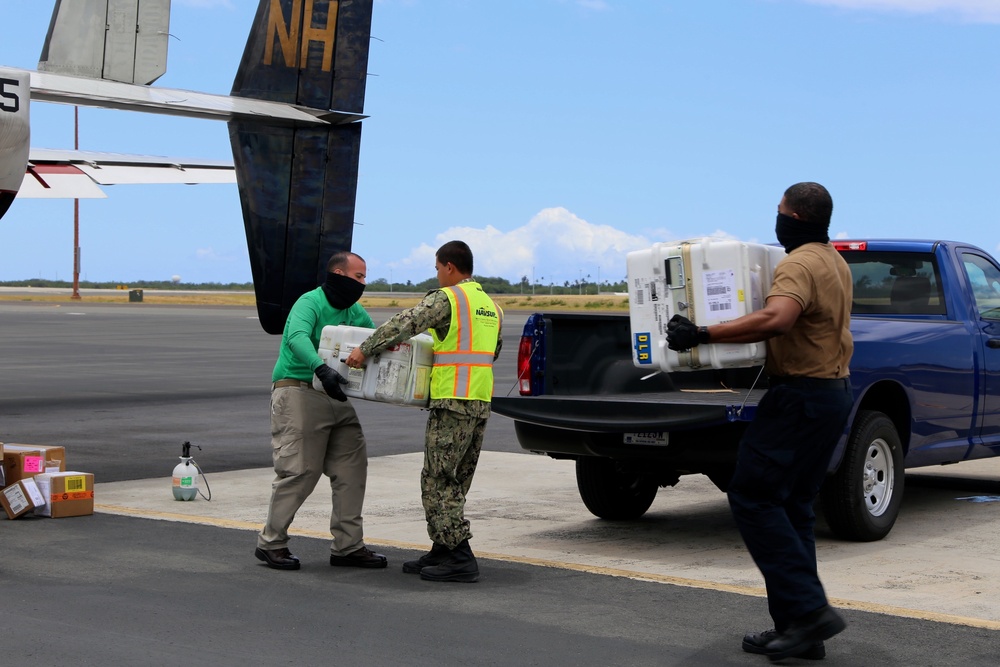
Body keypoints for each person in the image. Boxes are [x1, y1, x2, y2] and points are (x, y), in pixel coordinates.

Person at [666, 182, 854, 661]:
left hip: (800, 398)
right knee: (793, 507)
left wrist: (702, 333)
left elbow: (777, 318)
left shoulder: (799, 263)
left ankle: (810, 613)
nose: (777, 220)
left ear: (796, 216)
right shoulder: (834, 261)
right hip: (831, 395)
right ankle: (799, 630)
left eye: (780, 212)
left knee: (751, 495)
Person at [344, 240, 502, 583]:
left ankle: (459, 555)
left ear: (449, 266)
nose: (437, 274)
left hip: (452, 401)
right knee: (456, 479)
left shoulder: (449, 299)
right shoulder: (491, 306)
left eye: (436, 268)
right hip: (480, 402)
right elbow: (494, 349)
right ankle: (443, 549)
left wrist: (365, 349)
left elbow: (405, 323)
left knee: (437, 480)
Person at [255, 251, 387, 571]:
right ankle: (271, 543)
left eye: (365, 278)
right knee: (300, 470)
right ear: (339, 274)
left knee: (352, 468)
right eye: (358, 277)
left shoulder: (354, 311)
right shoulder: (310, 302)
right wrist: (320, 367)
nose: (363, 284)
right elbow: (296, 338)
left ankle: (348, 546)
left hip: (335, 395)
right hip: (298, 390)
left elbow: (372, 341)